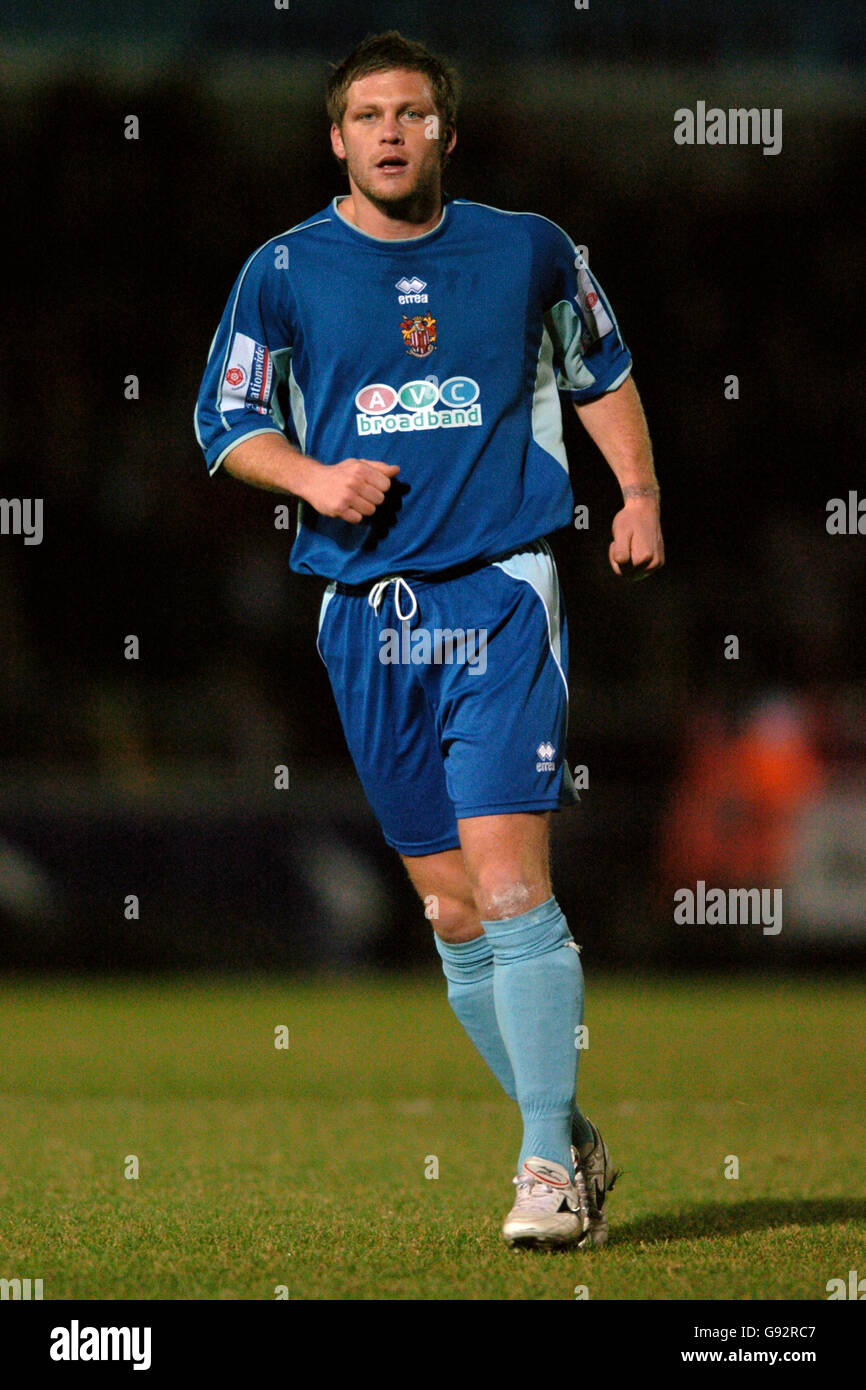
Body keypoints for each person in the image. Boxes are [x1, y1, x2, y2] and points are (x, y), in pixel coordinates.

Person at [194, 30, 664, 1249]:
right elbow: (224, 419)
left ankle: (540, 1175)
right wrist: (310, 476)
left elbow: (600, 369)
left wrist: (637, 496)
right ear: (336, 138)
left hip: (498, 592)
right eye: (367, 115)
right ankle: (563, 1133)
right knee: (453, 915)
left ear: (445, 131)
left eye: (411, 112)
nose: (391, 131)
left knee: (512, 887)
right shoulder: (284, 270)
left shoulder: (525, 248)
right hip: (363, 618)